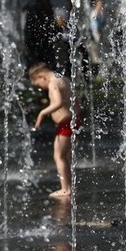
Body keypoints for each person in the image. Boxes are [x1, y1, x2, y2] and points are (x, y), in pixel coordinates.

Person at [29, 62, 79, 199]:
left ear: (41, 76)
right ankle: (70, 186)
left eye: (39, 85)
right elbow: (76, 99)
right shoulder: (63, 78)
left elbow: (58, 103)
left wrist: (42, 114)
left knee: (59, 156)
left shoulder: (52, 83)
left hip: (66, 123)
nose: (41, 88)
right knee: (66, 156)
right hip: (71, 121)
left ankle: (65, 189)